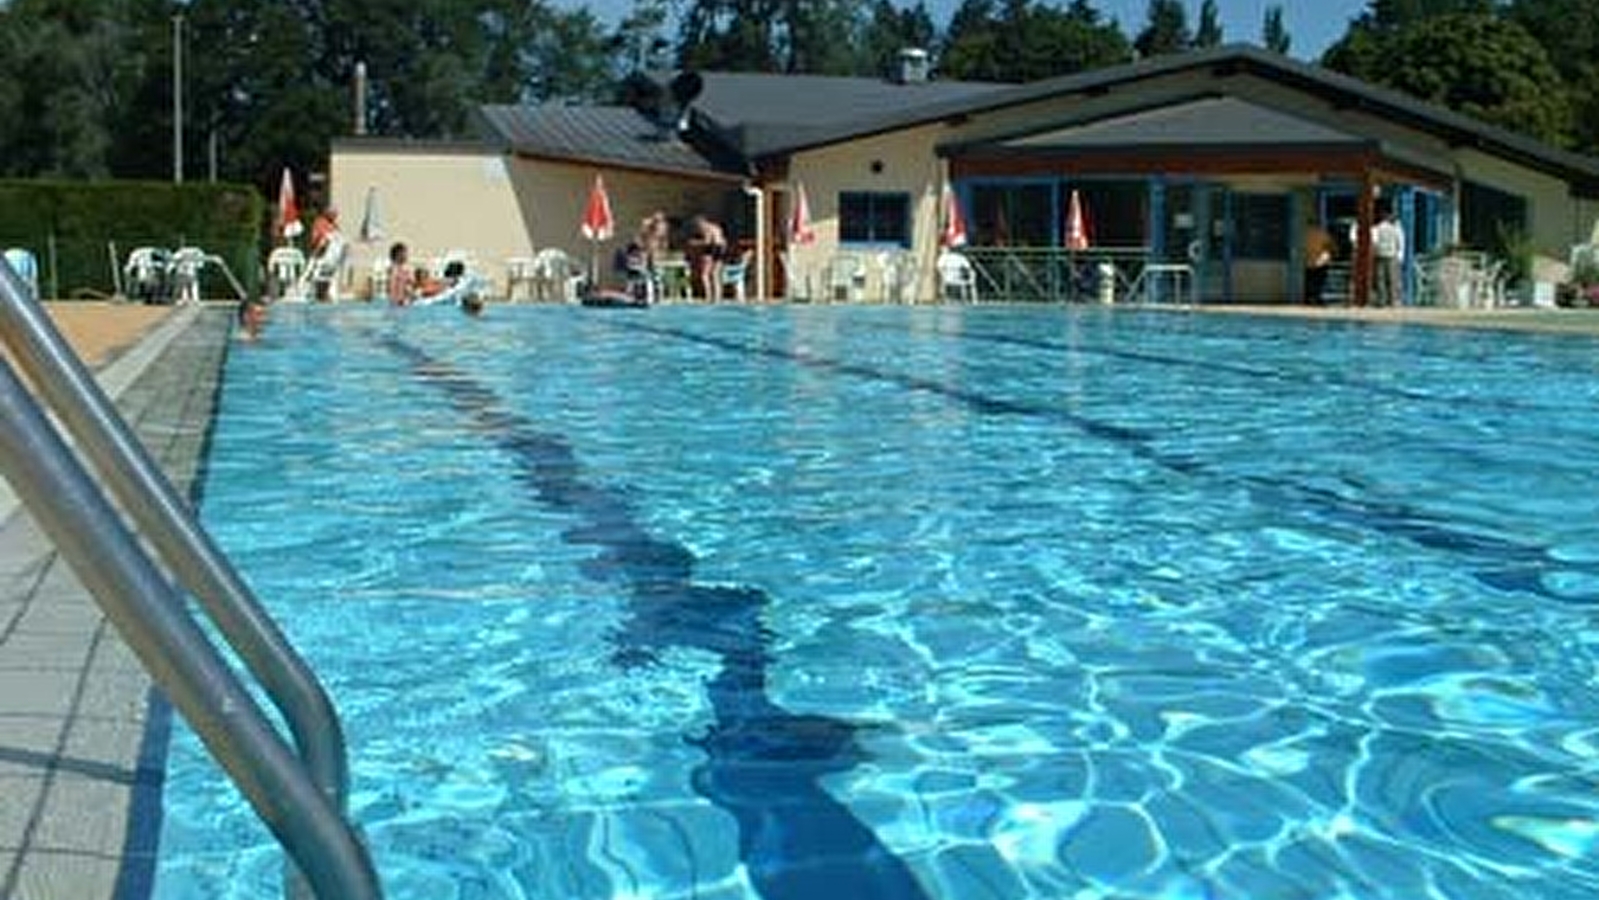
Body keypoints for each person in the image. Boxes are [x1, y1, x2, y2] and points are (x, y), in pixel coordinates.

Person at [685, 214, 727, 300]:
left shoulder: (706, 228)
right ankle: (718, 296)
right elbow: (722, 241)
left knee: (705, 275)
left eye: (698, 225)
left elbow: (707, 242)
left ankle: (708, 295)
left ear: (701, 222)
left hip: (711, 250)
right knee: (715, 275)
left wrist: (694, 243)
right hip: (720, 250)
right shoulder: (716, 227)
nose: (697, 228)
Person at [1372, 208, 1405, 306]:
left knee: (1380, 279)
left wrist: (1375, 253)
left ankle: (1382, 300)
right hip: (1392, 255)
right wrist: (1400, 256)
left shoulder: (1377, 228)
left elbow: (1375, 242)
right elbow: (1400, 242)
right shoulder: (1395, 228)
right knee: (1392, 279)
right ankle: (1393, 301)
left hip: (1380, 255)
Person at [1303, 220, 1336, 305]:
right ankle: (1316, 297)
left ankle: (1310, 297)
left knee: (1310, 281)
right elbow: (1330, 246)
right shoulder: (1322, 233)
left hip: (1309, 262)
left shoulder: (1304, 234)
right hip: (1319, 262)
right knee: (1318, 282)